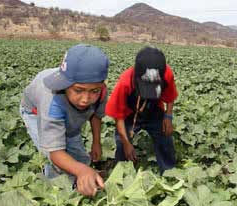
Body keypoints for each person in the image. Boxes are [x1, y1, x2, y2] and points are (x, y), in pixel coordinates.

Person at [20, 44, 109, 196]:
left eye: (94, 91)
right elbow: (55, 152)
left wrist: (96, 142)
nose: (86, 99)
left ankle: (83, 181)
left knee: (79, 156)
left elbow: (96, 115)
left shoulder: (100, 91)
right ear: (65, 85)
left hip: (70, 115)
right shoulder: (51, 99)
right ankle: (55, 193)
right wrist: (81, 171)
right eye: (78, 90)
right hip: (35, 113)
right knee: (56, 161)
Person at [105, 47, 178, 174]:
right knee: (122, 145)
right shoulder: (125, 82)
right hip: (129, 114)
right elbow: (119, 117)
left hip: (154, 110)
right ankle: (122, 174)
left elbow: (170, 96)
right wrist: (126, 143)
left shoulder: (167, 75)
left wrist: (168, 116)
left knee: (165, 137)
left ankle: (169, 172)